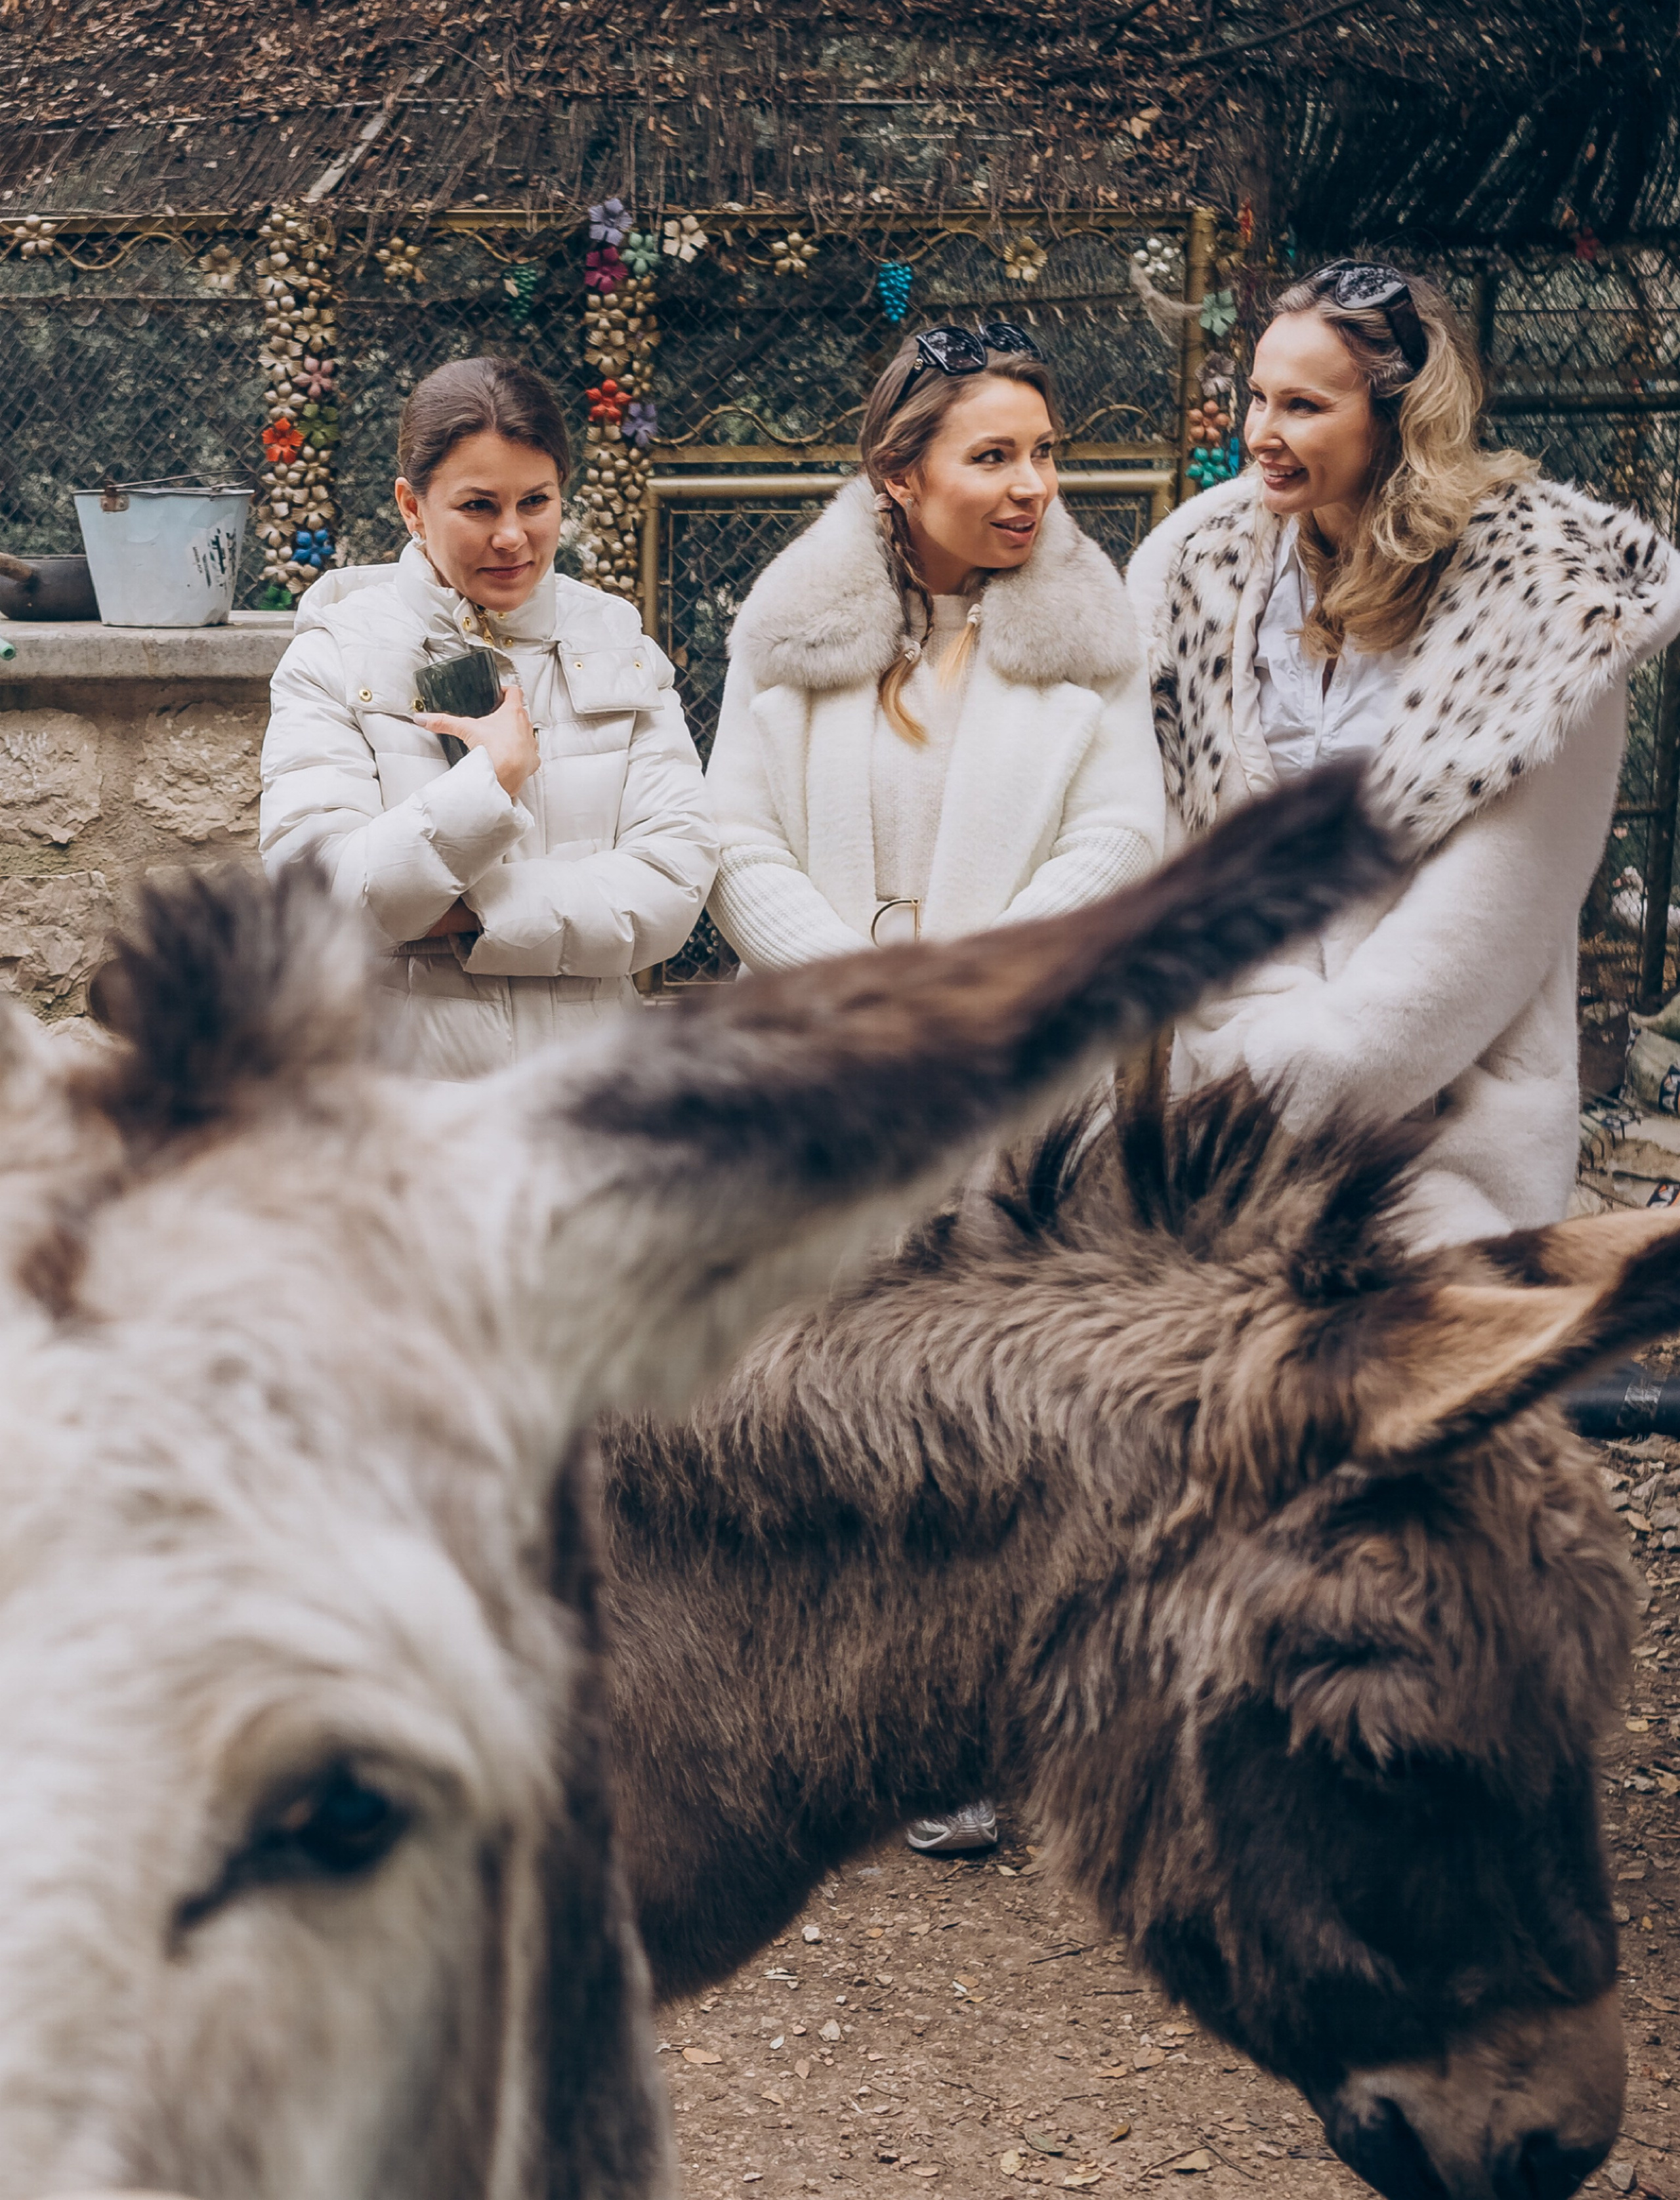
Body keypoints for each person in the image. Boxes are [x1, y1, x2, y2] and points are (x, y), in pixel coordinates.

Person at [707, 324, 1167, 1851]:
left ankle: (981, 1732)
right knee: (833, 1405)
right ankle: (823, 1717)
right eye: (992, 455)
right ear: (899, 475)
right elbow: (735, 839)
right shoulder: (787, 640)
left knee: (992, 1414)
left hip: (1013, 1081)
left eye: (1043, 452)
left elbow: (1120, 842)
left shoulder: (1090, 648)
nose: (1032, 483)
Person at [1127, 261, 1680, 1248]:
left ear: (1399, 417)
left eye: (1302, 405)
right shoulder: (1198, 568)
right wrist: (1234, 1063)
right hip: (1218, 1112)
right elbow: (1181, 852)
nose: (1261, 433)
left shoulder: (1550, 604)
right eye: (1257, 397)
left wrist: (1285, 1082)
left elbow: (1492, 922)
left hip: (1437, 1137)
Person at [260, 355, 717, 1078]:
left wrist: (469, 915)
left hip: (596, 1098)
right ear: (413, 507)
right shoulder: (334, 658)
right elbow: (317, 899)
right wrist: (489, 784)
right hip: (399, 1106)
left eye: (535, 502)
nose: (512, 536)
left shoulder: (620, 647)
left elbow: (672, 884)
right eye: (479, 506)